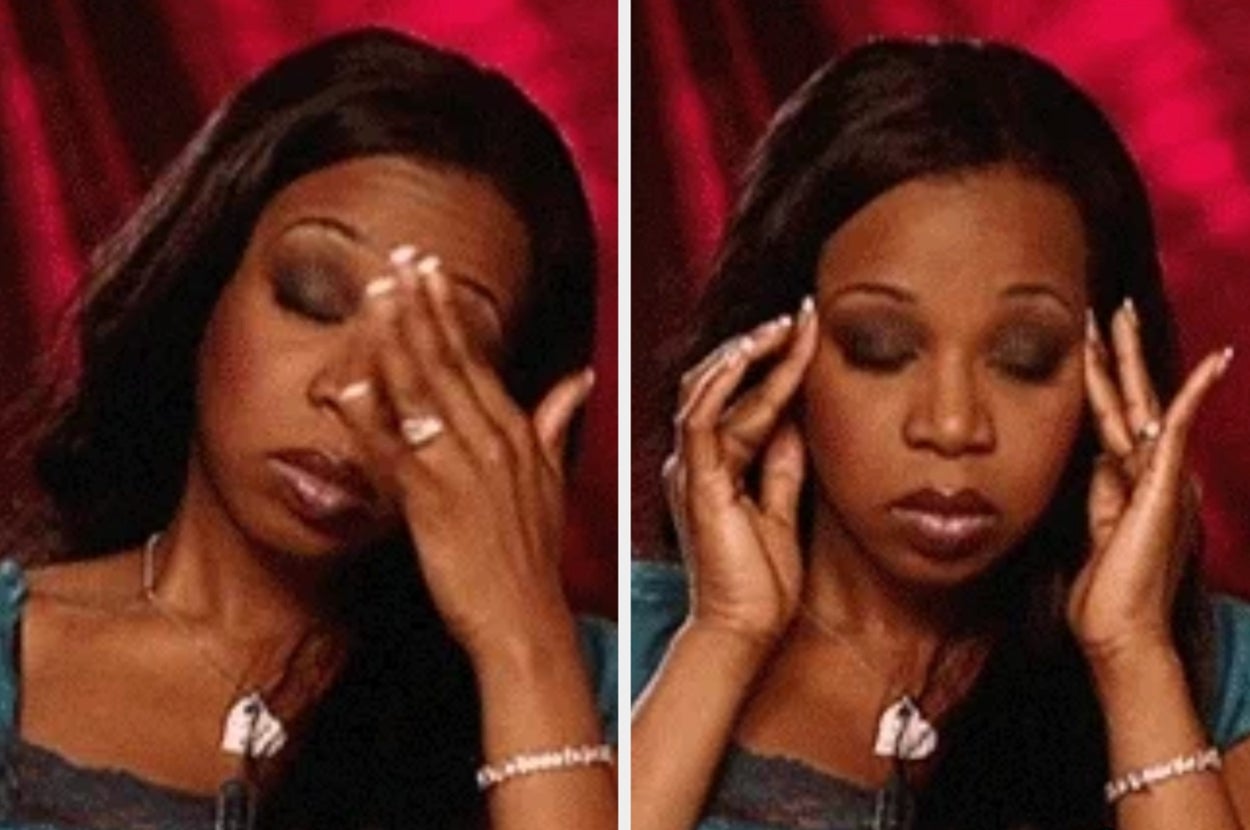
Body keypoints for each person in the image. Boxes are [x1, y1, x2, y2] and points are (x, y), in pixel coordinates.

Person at [0, 26, 616, 830]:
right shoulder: (18, 651)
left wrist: (521, 647)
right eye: (314, 296)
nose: (356, 391)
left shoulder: (601, 690)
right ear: (204, 282)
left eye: (439, 357)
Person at [632, 38, 1250, 830]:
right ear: (773, 351)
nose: (953, 426)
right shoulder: (631, 650)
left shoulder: (1216, 676)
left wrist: (1134, 658)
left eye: (1025, 358)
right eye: (881, 348)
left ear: (1113, 373)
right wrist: (724, 635)